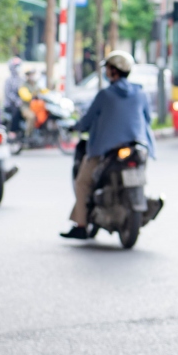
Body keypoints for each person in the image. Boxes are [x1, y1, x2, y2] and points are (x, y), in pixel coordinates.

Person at [61, 51, 156, 240]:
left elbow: (87, 120)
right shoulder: (140, 93)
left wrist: (75, 127)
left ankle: (81, 225)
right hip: (138, 147)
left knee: (82, 183)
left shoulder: (105, 95)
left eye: (107, 69)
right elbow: (148, 119)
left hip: (107, 150)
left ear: (113, 71)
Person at [3, 58, 24, 135]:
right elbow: (8, 94)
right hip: (10, 104)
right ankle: (13, 131)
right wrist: (17, 100)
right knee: (16, 110)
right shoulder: (9, 80)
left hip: (21, 103)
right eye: (16, 66)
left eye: (19, 66)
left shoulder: (22, 79)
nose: (18, 68)